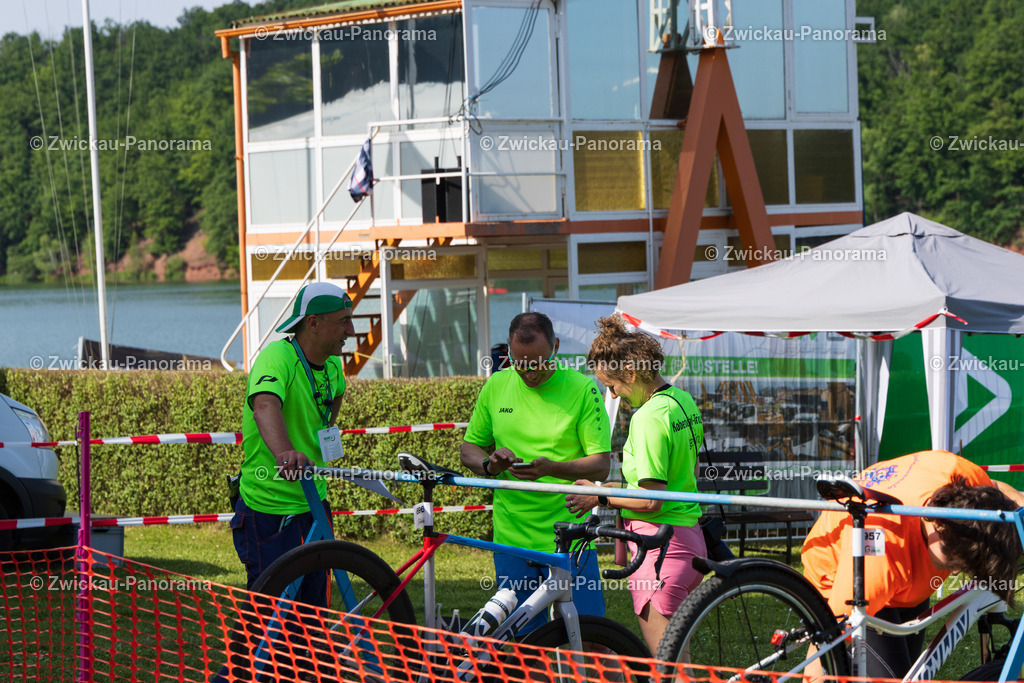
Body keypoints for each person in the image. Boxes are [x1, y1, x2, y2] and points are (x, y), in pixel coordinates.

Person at [801, 451, 1024, 679]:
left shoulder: (969, 481)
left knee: (911, 673)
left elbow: (1001, 491)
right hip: (845, 575)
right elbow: (829, 642)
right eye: (954, 558)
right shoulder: (879, 550)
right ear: (939, 526)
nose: (956, 570)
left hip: (908, 578)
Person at [461, 312, 612, 634]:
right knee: (524, 640)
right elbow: (469, 450)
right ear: (509, 352)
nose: (529, 372)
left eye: (537, 363)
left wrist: (553, 468)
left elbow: (601, 464)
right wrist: (490, 465)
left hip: (571, 536)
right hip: (512, 538)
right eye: (520, 363)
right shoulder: (496, 385)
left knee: (590, 635)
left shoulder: (582, 388)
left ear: (555, 347)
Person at [564, 314, 707, 653]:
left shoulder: (648, 418)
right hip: (690, 542)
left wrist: (599, 497)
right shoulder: (682, 400)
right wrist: (612, 491)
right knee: (679, 662)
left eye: (612, 385)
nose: (612, 395)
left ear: (630, 373)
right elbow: (687, 472)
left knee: (670, 669)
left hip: (660, 551)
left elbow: (650, 500)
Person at [230, 281, 355, 604]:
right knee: (270, 610)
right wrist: (285, 452)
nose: (351, 330)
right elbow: (264, 405)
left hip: (314, 503)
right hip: (269, 508)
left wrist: (324, 432)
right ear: (313, 323)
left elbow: (335, 398)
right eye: (343, 321)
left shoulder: (333, 365)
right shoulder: (277, 356)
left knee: (314, 607)